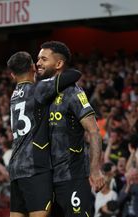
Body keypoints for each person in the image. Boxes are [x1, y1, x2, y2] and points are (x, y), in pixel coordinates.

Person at [7, 51, 81, 217]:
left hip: (15, 166)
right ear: (33, 67)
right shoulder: (38, 89)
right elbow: (74, 75)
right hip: (34, 165)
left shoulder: (13, 96)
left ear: (12, 75)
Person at [36, 41, 105, 216]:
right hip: (45, 180)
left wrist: (95, 169)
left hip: (72, 177)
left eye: (44, 59)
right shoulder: (40, 94)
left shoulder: (74, 93)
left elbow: (94, 131)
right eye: (38, 59)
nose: (38, 63)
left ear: (58, 64)